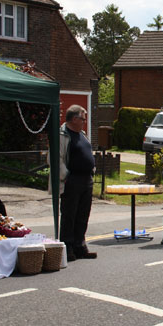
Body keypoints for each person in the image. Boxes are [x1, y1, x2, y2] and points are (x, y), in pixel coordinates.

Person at [57, 104, 97, 262]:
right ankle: (68, 248)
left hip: (86, 180)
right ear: (74, 119)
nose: (84, 121)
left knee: (83, 215)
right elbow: (55, 159)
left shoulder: (82, 134)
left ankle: (80, 246)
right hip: (71, 181)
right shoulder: (62, 135)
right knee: (69, 215)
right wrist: (65, 176)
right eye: (82, 118)